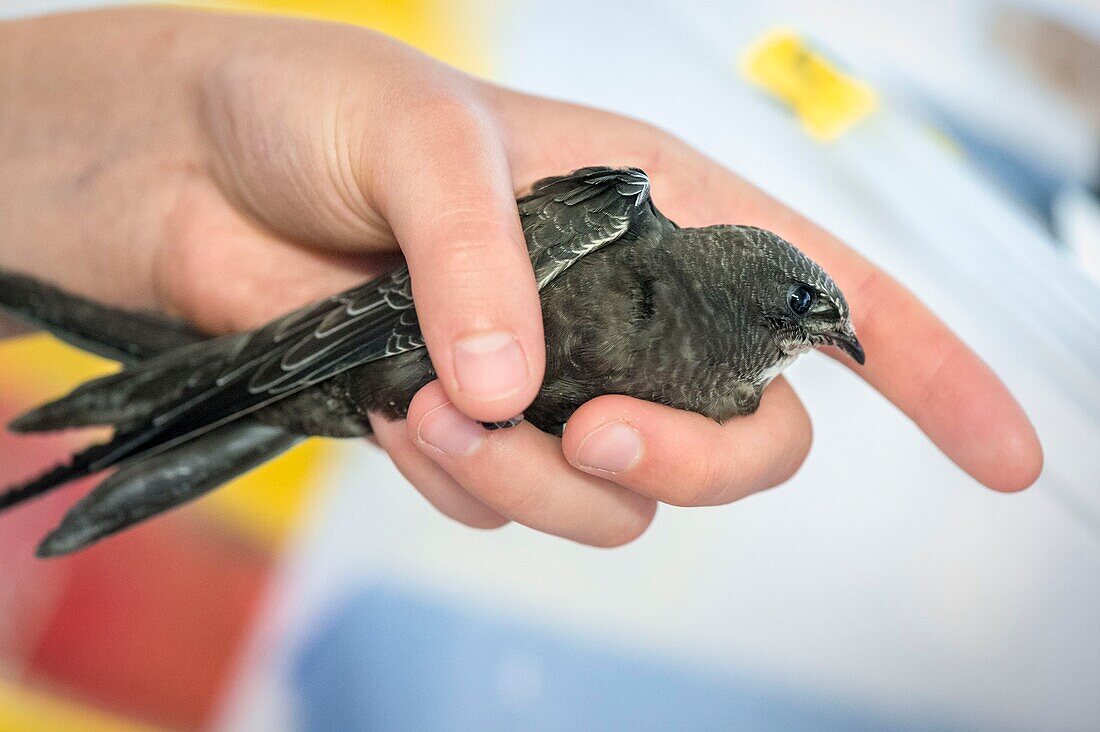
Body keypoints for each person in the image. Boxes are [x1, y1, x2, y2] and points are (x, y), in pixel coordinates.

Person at [0, 7, 1042, 547]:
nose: (824, 344)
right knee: (201, 391)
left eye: (825, 330)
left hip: (375, 393)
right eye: (810, 319)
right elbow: (398, 314)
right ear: (757, 296)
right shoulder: (614, 213)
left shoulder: (729, 391)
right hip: (357, 356)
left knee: (202, 394)